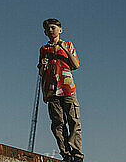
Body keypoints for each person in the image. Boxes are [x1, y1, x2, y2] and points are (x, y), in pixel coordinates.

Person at [38, 18, 83, 162]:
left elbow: (76, 65)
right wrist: (43, 66)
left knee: (73, 120)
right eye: (47, 29)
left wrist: (64, 49)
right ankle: (66, 154)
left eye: (53, 27)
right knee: (58, 123)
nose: (50, 30)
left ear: (60, 29)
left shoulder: (68, 44)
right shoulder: (43, 49)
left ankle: (77, 153)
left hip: (67, 88)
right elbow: (41, 72)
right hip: (51, 90)